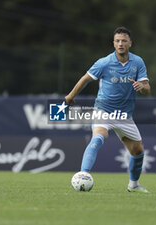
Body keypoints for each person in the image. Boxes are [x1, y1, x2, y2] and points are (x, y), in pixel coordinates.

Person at [65, 27, 151, 193]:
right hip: (103, 110)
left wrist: (142, 86)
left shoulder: (138, 62)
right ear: (113, 43)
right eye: (117, 41)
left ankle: (133, 185)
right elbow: (85, 79)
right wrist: (70, 97)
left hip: (124, 115)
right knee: (98, 137)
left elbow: (147, 88)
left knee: (138, 152)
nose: (120, 44)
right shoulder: (104, 63)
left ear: (130, 43)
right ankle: (83, 175)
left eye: (124, 40)